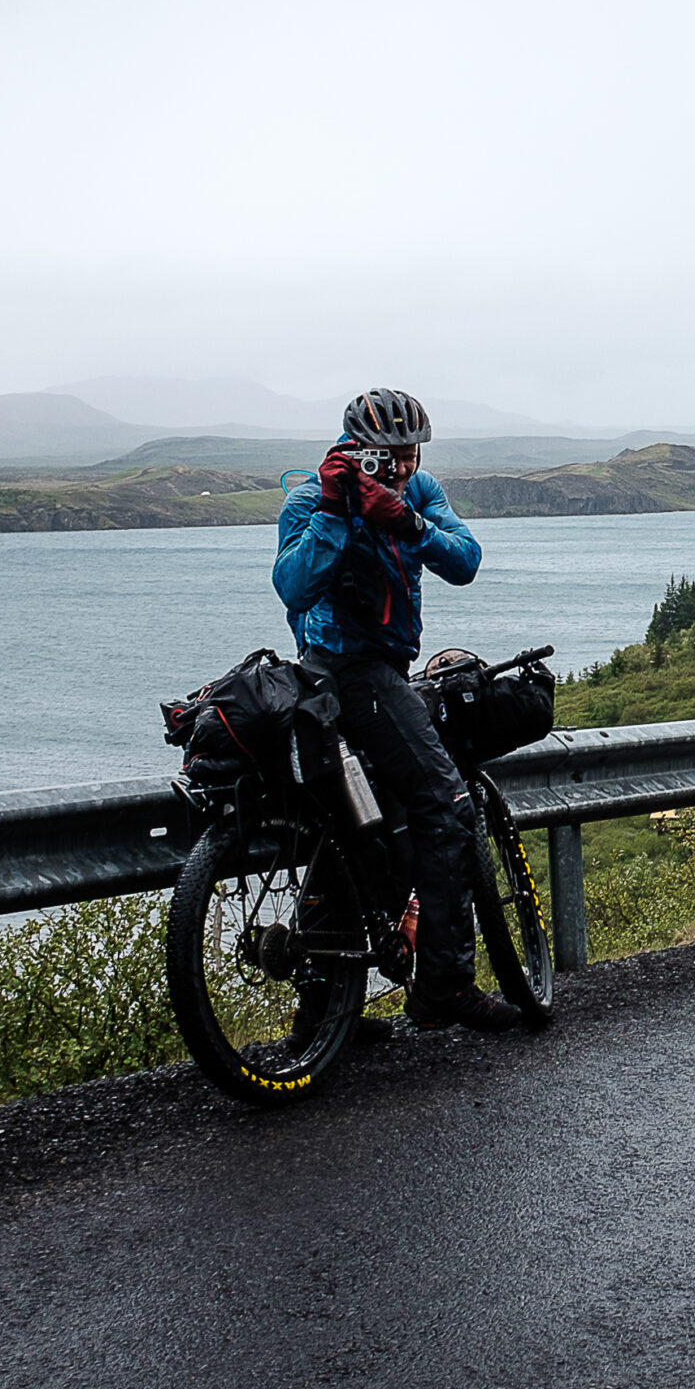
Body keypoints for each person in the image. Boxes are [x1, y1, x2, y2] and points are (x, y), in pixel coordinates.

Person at [274, 387, 521, 1033]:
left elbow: (465, 561)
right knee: (448, 805)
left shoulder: (419, 492)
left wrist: (408, 523)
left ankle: (324, 1013)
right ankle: (445, 985)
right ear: (357, 451)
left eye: (411, 453)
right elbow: (293, 587)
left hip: (379, 675)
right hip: (346, 674)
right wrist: (337, 512)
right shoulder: (310, 499)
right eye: (389, 456)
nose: (403, 467)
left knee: (355, 835)